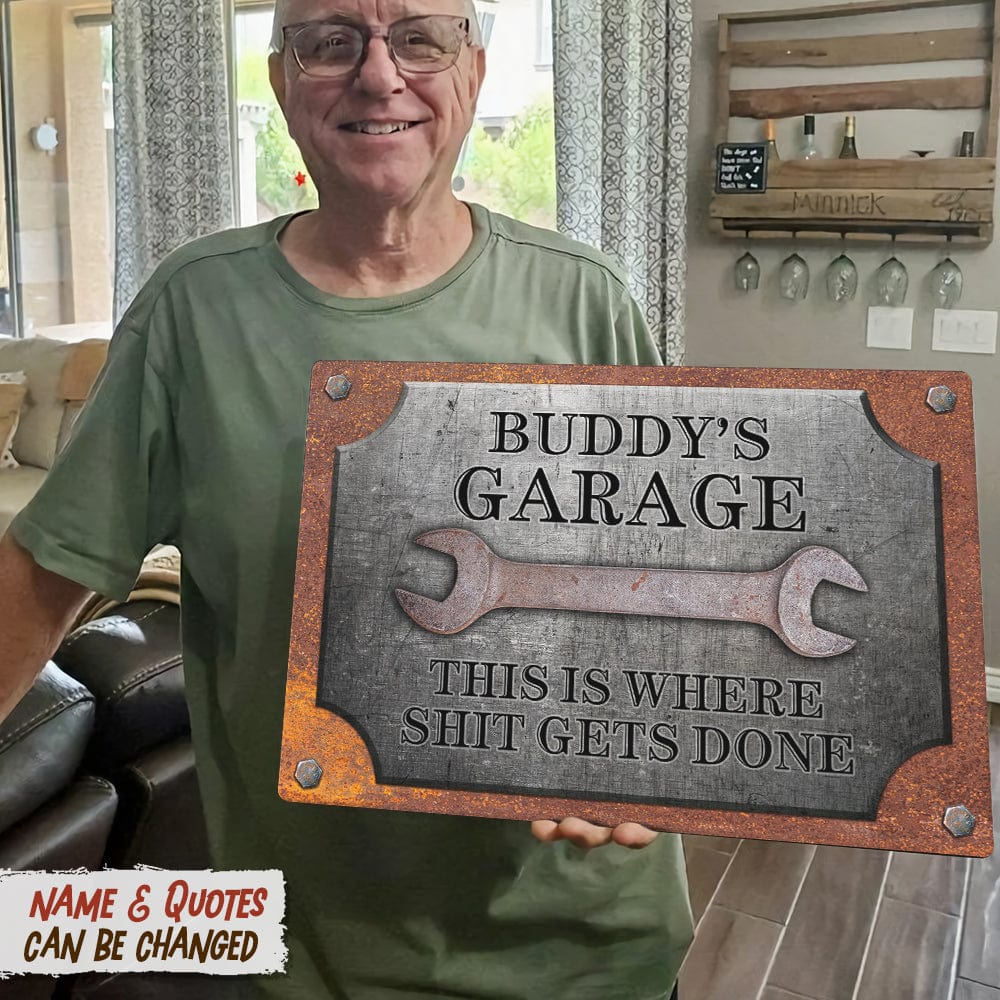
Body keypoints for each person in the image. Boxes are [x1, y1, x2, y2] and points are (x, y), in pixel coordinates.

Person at [0, 0, 693, 995]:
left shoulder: (586, 301)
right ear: (282, 82)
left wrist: (660, 754)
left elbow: (673, 580)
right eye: (330, 42)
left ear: (474, 69)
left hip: (585, 946)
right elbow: (40, 577)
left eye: (420, 37)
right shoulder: (193, 310)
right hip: (312, 950)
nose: (379, 74)